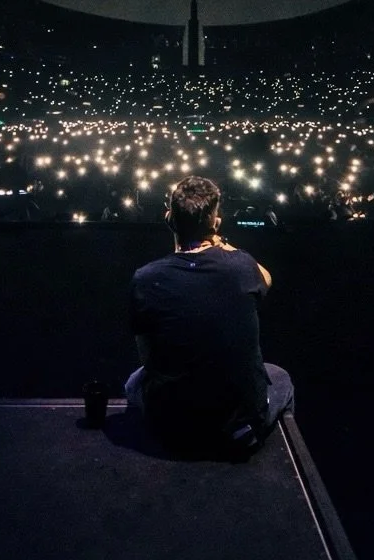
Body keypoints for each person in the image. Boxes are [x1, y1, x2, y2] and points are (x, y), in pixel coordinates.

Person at [125, 176, 294, 458]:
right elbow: (266, 278)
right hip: (234, 429)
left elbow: (148, 359)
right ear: (215, 223)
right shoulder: (242, 267)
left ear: (169, 219)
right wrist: (221, 243)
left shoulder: (144, 278)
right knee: (280, 377)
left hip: (174, 430)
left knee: (133, 382)